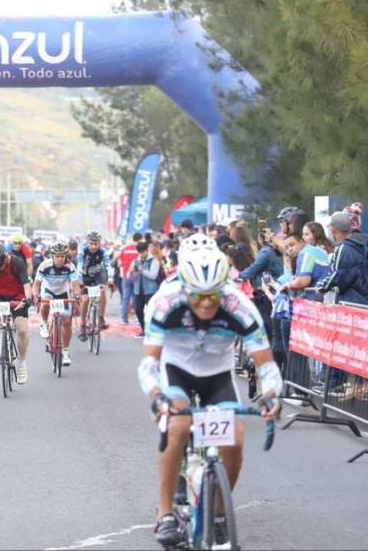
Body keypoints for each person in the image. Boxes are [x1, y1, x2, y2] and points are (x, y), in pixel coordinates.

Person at [137, 246, 281, 546]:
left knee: (235, 438)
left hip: (216, 375)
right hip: (175, 369)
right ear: (184, 287)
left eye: (213, 296)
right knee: (176, 426)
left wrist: (271, 396)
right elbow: (149, 364)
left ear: (223, 290)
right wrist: (156, 396)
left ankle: (217, 513)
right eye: (198, 296)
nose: (206, 303)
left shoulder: (239, 306)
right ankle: (165, 512)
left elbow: (267, 366)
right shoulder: (166, 302)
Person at [0, 241, 32, 384]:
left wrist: (28, 299)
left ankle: (22, 363)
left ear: (5, 256)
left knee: (22, 331)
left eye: (1, 263)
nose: (0, 267)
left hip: (17, 297)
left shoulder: (17, 262)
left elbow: (26, 285)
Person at [316, 212, 368, 306]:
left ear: (333, 230)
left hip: (354, 301)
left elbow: (338, 275)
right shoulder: (363, 244)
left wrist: (322, 286)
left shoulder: (344, 248)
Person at [34, 241, 81, 366]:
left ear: (65, 256)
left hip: (62, 293)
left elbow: (75, 284)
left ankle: (65, 352)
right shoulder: (44, 265)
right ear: (52, 256)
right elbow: (37, 284)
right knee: (45, 303)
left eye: (62, 256)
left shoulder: (70, 266)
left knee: (66, 322)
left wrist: (77, 296)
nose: (60, 259)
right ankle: (43, 323)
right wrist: (36, 295)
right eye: (57, 256)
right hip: (48, 290)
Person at [77, 231, 113, 339]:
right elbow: (79, 267)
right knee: (86, 299)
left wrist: (110, 278)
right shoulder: (82, 252)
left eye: (96, 244)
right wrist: (80, 281)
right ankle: (83, 325)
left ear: (99, 243)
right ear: (87, 243)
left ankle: (101, 318)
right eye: (91, 244)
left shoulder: (103, 252)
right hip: (85, 276)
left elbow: (108, 266)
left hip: (97, 275)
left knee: (102, 291)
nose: (94, 246)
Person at [128, 242, 161, 336]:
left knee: (152, 312)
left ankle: (154, 330)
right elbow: (132, 278)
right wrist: (132, 272)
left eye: (143, 252)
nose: (141, 255)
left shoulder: (154, 261)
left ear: (147, 250)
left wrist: (141, 270)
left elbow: (153, 276)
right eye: (139, 253)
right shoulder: (136, 260)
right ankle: (144, 329)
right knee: (138, 310)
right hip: (137, 291)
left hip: (150, 291)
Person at [118, 233, 141, 325]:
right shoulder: (140, 249)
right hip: (136, 276)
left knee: (125, 298)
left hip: (125, 276)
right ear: (139, 239)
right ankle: (137, 318)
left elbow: (119, 263)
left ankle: (124, 319)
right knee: (137, 297)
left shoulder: (124, 249)